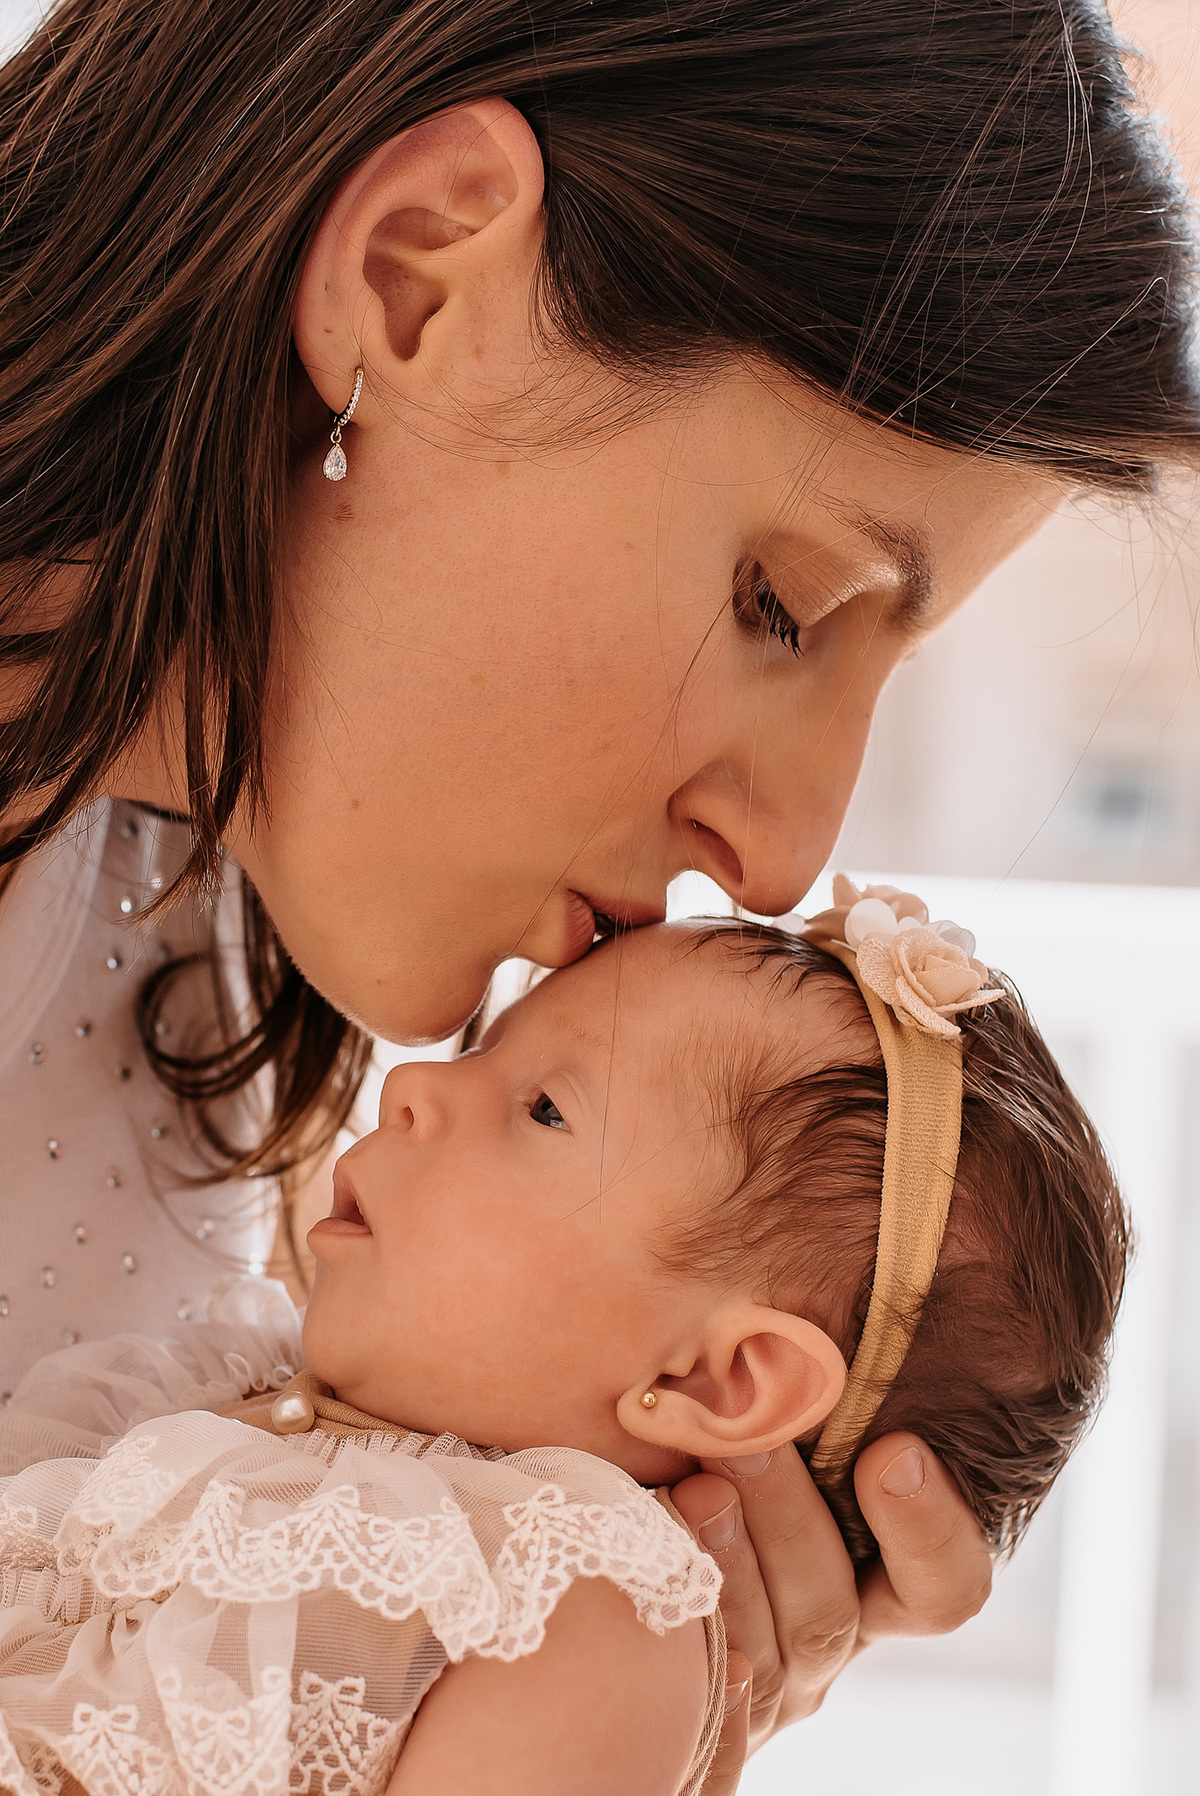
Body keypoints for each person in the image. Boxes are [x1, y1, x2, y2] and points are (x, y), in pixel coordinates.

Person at [0, 0, 1196, 1777]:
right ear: (417, 278)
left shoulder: (202, 959)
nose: (786, 855)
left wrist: (492, 1695)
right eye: (780, 606)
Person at [0, 887, 1129, 1793]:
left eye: (544, 1107)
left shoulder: (580, 1616)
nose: (414, 1085)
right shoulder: (217, 1384)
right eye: (484, 1050)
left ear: (719, 1376)